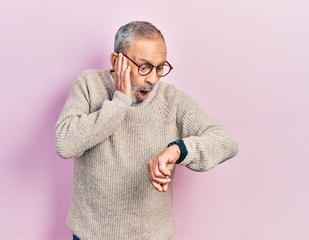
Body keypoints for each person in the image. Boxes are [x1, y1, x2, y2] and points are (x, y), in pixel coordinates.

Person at [55, 21, 238, 240]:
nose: (152, 79)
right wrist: (120, 101)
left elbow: (225, 141)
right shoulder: (88, 85)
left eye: (160, 67)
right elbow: (65, 143)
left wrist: (178, 150)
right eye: (144, 67)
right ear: (116, 60)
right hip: (90, 234)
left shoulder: (171, 100)